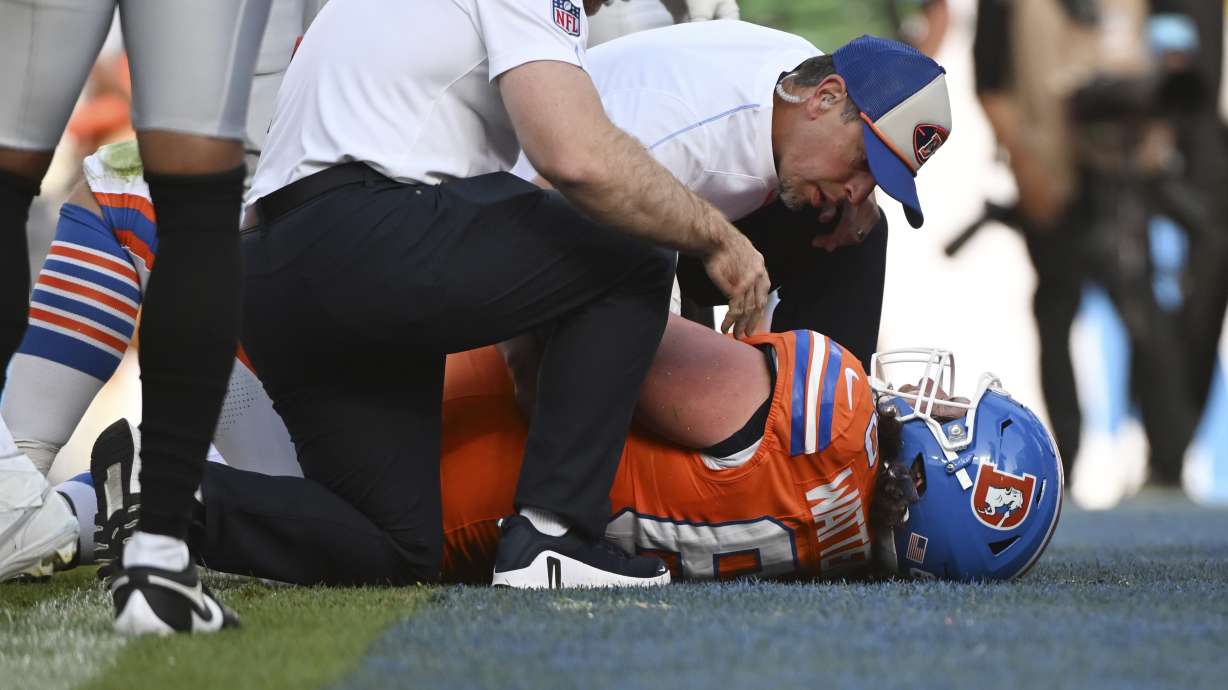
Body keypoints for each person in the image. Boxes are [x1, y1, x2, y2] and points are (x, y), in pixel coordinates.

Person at [0, 0, 278, 634]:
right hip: (290, 264)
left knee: (14, 183)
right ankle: (157, 553)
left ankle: (26, 488)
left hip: (134, 206)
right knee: (198, 199)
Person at [516, 22, 954, 364]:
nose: (858, 191)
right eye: (863, 163)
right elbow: (545, 208)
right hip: (529, 208)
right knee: (637, 286)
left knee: (860, 231)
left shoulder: (804, 82)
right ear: (824, 98)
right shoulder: (691, 126)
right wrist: (714, 241)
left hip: (674, 208)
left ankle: (821, 437)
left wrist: (860, 183)